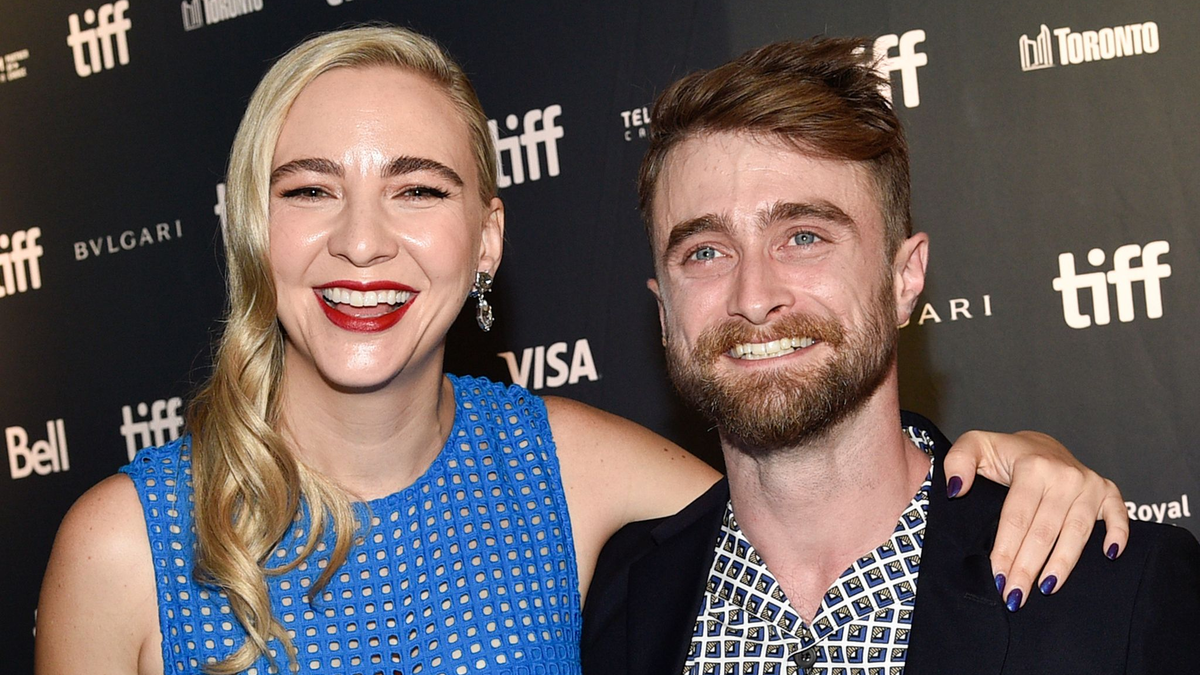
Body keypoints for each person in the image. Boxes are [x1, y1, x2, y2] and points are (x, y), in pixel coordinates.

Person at [35, 26, 1130, 675]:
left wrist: (1012, 466)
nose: (361, 240)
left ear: (487, 240)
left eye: (418, 189)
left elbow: (819, 495)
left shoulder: (566, 469)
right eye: (310, 190)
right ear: (248, 228)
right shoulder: (121, 547)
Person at [581, 37, 1200, 674]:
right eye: (705, 252)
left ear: (904, 279)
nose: (755, 296)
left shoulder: (1119, 595)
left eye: (803, 237)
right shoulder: (612, 609)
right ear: (662, 312)